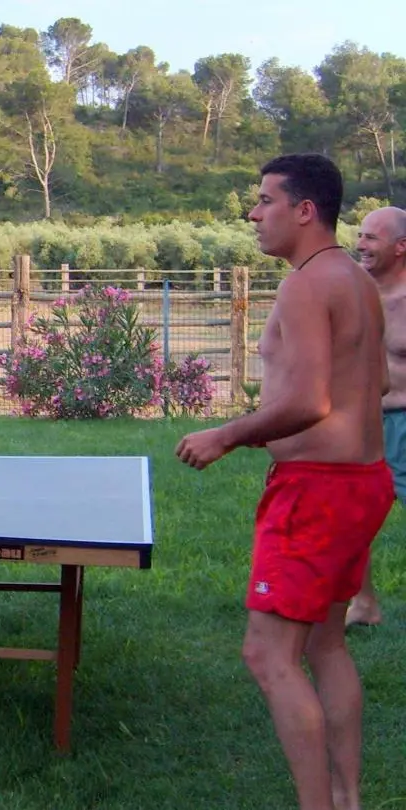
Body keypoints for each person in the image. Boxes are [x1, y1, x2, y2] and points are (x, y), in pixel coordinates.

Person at [176, 154, 394, 810]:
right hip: (363, 481)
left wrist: (227, 434)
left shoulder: (306, 284)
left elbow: (308, 401)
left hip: (317, 490)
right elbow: (377, 384)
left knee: (268, 656)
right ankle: (347, 797)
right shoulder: (356, 280)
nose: (253, 212)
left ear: (305, 210)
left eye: (265, 200)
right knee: (326, 643)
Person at [348, 206, 406, 627]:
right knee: (349, 517)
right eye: (361, 235)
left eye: (372, 238)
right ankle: (364, 605)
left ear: (401, 247)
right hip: (358, 423)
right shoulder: (351, 292)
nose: (361, 245)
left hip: (403, 421)